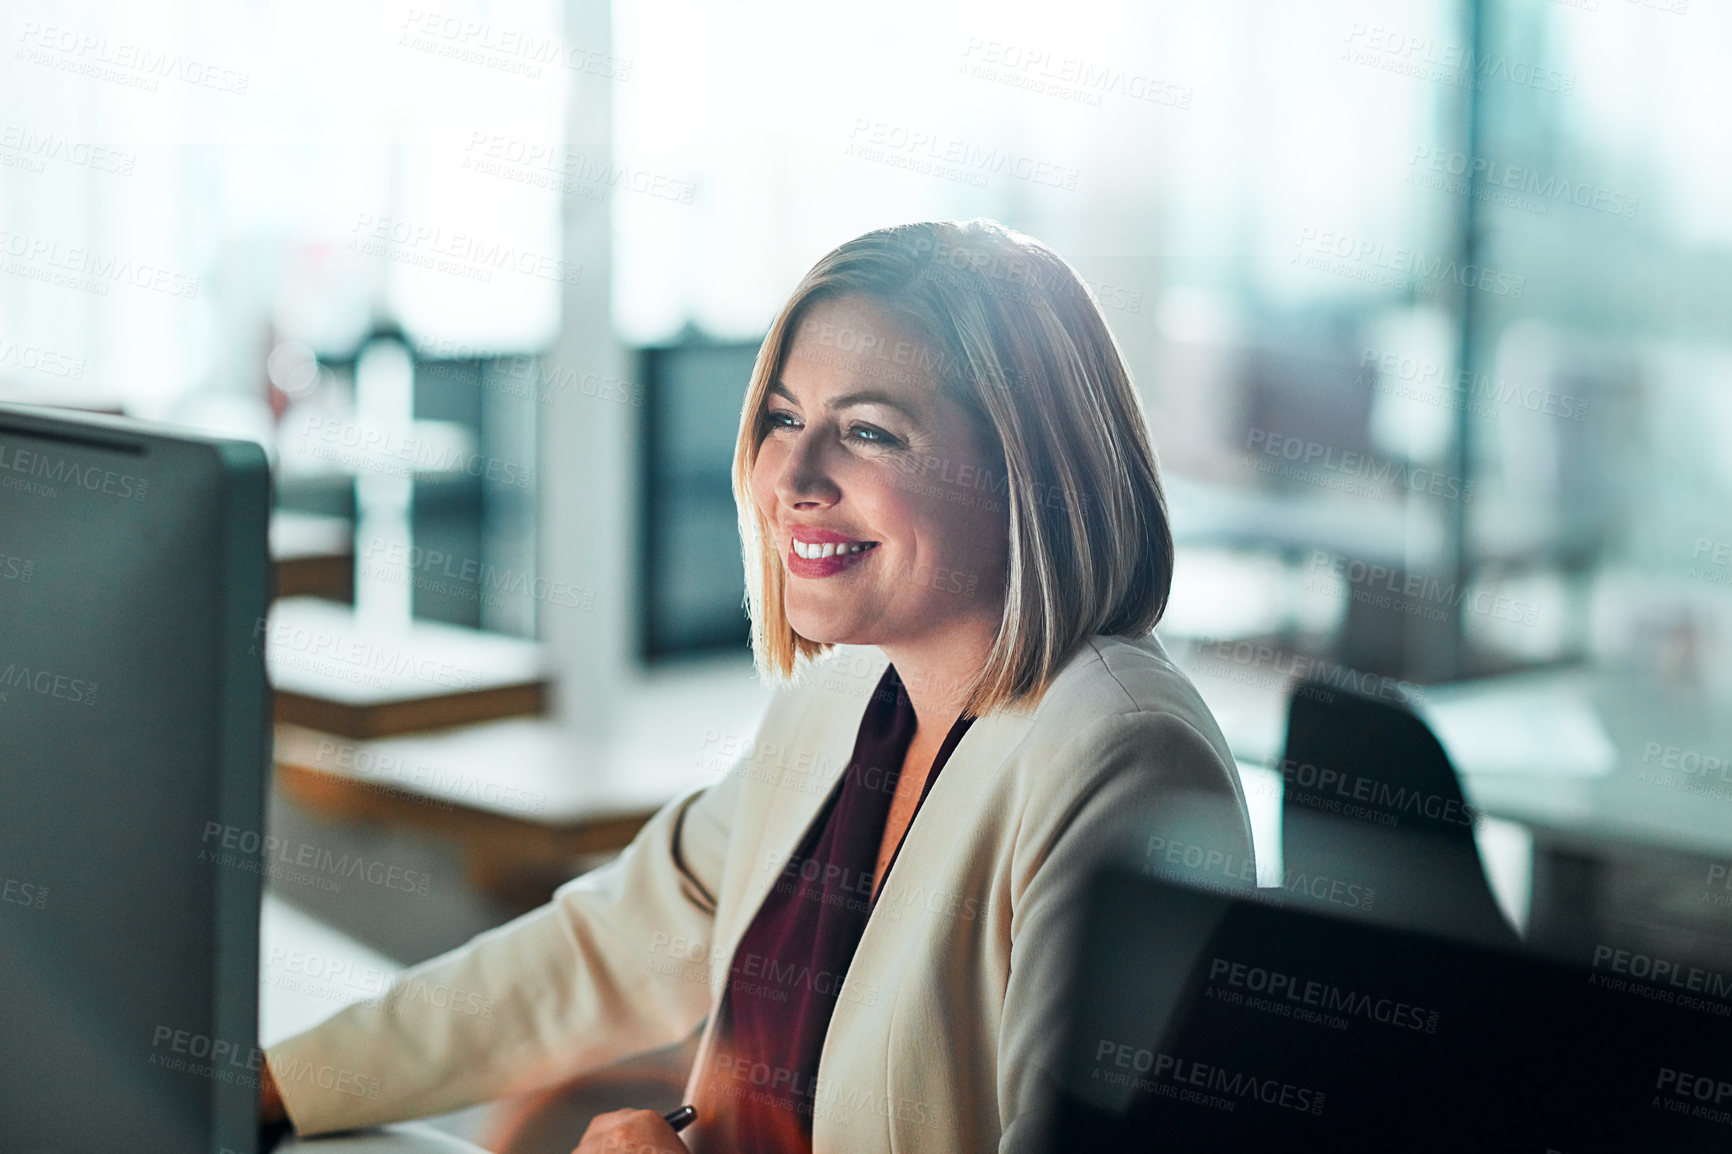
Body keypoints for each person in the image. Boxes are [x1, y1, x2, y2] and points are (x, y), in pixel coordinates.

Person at [259, 219, 1253, 1153]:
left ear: (1025, 469)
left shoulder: (1120, 757)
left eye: (868, 431)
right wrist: (279, 1081)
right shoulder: (852, 692)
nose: (793, 476)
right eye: (783, 417)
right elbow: (608, 944)